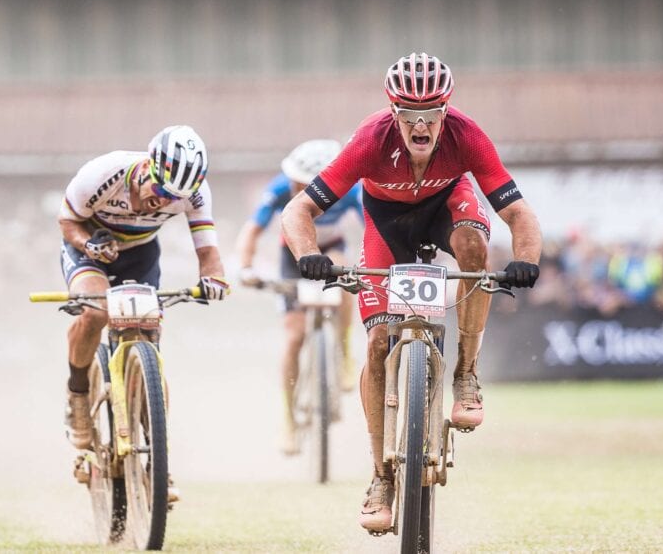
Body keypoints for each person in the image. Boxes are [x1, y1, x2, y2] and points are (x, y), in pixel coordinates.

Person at [280, 53, 542, 532]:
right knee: (378, 343)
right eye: (409, 116)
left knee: (475, 249)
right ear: (393, 114)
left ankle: (465, 373)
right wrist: (307, 255)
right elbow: (297, 211)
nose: (420, 126)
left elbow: (520, 215)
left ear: (446, 112)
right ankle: (381, 476)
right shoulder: (369, 141)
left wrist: (526, 261)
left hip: (448, 205)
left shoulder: (467, 136)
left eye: (431, 115)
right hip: (387, 224)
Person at [57, 125, 230, 459]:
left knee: (147, 331)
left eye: (173, 199)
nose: (162, 202)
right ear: (147, 167)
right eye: (162, 191)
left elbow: (208, 253)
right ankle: (77, 393)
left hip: (140, 253)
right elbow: (67, 222)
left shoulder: (194, 193)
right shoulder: (104, 172)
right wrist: (89, 245)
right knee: (96, 313)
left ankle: (157, 457)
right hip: (89, 246)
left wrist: (215, 280)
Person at [236, 139, 362, 455]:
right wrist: (246, 267)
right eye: (293, 179)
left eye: (302, 184)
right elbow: (252, 229)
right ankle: (289, 421)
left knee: (344, 273)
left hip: (331, 249)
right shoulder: (280, 188)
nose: (294, 186)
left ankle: (345, 353)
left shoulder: (350, 190)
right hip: (291, 256)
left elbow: (373, 226)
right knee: (294, 337)